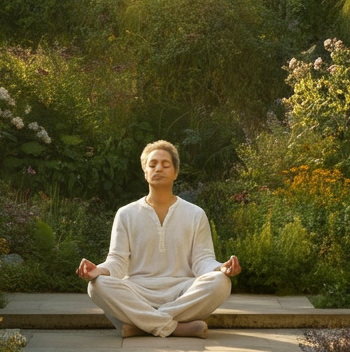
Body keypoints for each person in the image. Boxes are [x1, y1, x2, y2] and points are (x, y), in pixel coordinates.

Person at [77, 140, 241, 338]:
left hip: (181, 291)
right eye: (152, 164)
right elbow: (118, 261)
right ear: (145, 172)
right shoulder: (126, 214)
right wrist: (99, 270)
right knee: (97, 286)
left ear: (175, 172)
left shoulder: (195, 214)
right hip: (138, 290)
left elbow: (202, 260)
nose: (158, 169)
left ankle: (142, 325)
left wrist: (220, 268)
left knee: (221, 282)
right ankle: (175, 328)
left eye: (165, 164)